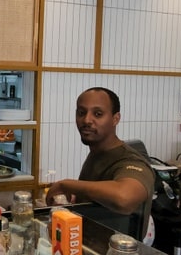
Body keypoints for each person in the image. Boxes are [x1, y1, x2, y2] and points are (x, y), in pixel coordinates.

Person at [45, 87, 155, 239]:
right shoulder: (97, 152)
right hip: (88, 247)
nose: (86, 120)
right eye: (81, 113)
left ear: (115, 119)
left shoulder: (130, 160)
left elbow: (124, 197)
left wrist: (66, 185)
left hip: (116, 252)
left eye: (98, 114)